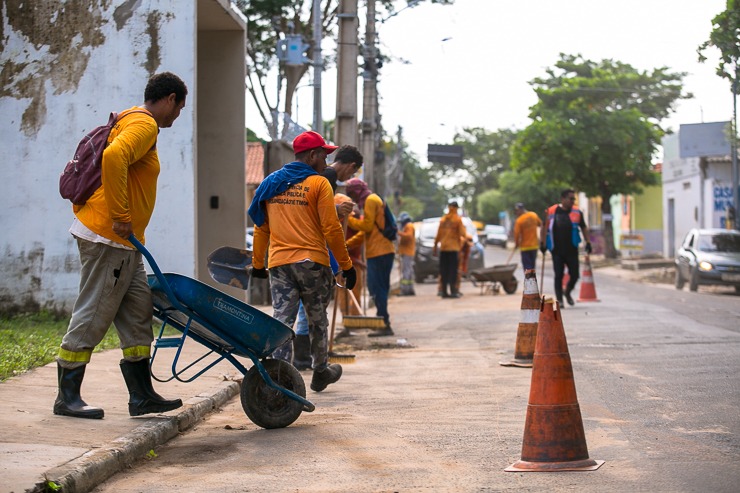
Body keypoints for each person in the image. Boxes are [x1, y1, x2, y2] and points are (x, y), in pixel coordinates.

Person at [55, 72, 188, 419]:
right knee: (94, 312)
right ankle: (66, 397)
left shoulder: (131, 117)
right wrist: (121, 215)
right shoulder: (144, 126)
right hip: (109, 238)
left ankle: (141, 395)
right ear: (170, 99)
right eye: (179, 109)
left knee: (138, 314)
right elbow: (113, 157)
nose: (177, 116)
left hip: (126, 245)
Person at [248, 130, 356, 392]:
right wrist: (346, 265)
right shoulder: (318, 184)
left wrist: (259, 265)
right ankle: (320, 370)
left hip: (279, 264)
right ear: (312, 155)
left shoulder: (271, 183)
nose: (326, 161)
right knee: (317, 318)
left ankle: (281, 376)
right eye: (323, 155)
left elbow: (261, 227)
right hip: (311, 262)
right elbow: (331, 228)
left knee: (282, 321)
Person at [292, 145, 364, 369]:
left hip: (292, 249)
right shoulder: (328, 177)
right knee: (313, 310)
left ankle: (300, 359)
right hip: (311, 251)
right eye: (351, 174)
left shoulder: (297, 178)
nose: (348, 178)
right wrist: (336, 212)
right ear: (350, 166)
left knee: (293, 310)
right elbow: (318, 216)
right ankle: (310, 361)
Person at [345, 178, 396, 337]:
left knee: (376, 287)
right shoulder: (371, 200)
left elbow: (366, 226)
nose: (352, 197)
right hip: (380, 250)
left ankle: (384, 323)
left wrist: (348, 218)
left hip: (380, 251)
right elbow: (367, 232)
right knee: (378, 287)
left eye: (352, 193)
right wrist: (347, 244)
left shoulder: (370, 200)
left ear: (358, 190)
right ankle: (383, 321)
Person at [539, 189, 592, 307]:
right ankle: (560, 300)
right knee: (558, 275)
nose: (573, 201)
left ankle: (567, 292)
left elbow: (583, 227)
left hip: (572, 249)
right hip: (556, 249)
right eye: (571, 198)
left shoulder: (577, 212)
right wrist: (542, 244)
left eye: (574, 199)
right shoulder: (551, 211)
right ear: (563, 199)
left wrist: (588, 242)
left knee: (575, 275)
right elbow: (544, 227)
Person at [433, 201, 467, 298]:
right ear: (456, 208)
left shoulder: (443, 220)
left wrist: (435, 247)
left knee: (443, 271)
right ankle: (453, 292)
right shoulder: (457, 220)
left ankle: (444, 292)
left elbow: (438, 235)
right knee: (453, 271)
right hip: (453, 249)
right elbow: (463, 234)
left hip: (443, 249)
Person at [513, 202, 542, 271]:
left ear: (520, 210)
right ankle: (532, 281)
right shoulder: (533, 215)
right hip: (534, 246)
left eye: (517, 211)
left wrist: (516, 244)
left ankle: (530, 282)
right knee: (532, 266)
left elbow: (516, 234)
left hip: (525, 247)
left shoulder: (519, 220)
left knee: (527, 267)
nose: (516, 213)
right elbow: (540, 224)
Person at [396, 212, 416, 296]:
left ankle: (405, 290)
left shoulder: (409, 226)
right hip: (407, 251)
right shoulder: (408, 226)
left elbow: (408, 236)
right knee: (409, 271)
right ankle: (410, 289)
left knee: (406, 271)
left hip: (407, 252)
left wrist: (398, 232)